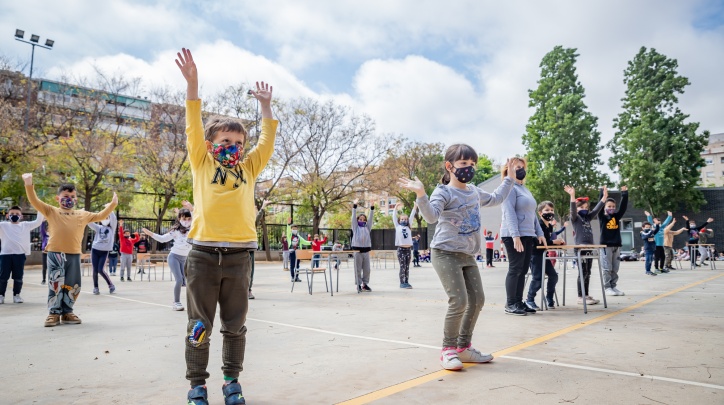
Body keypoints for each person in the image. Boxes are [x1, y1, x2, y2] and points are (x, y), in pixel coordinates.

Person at [176, 47, 277, 405]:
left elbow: (266, 142)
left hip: (239, 258)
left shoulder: (248, 169)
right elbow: (192, 123)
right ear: (210, 145)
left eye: (238, 143)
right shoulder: (202, 164)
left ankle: (232, 382)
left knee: (235, 326)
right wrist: (193, 85)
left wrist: (265, 108)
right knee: (198, 326)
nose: (233, 147)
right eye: (226, 142)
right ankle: (197, 386)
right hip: (202, 255)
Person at [399, 144, 514, 370]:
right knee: (459, 300)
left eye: (472, 164)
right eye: (463, 164)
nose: (468, 168)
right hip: (445, 253)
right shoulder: (444, 192)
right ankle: (448, 349)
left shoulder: (473, 191)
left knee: (478, 300)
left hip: (468, 254)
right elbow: (431, 217)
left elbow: (495, 198)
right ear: (449, 166)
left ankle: (464, 348)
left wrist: (508, 179)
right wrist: (421, 194)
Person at [23, 175, 117, 326]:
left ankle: (67, 312)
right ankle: (53, 313)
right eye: (65, 196)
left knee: (73, 284)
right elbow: (34, 201)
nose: (69, 199)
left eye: (72, 196)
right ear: (57, 198)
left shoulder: (82, 214)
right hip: (55, 253)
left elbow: (101, 215)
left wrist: (112, 204)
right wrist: (28, 183)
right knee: (55, 282)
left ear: (76, 199)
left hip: (74, 254)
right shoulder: (51, 211)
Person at [500, 157, 546, 316]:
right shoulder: (508, 188)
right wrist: (515, 236)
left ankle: (519, 302)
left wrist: (539, 233)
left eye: (522, 166)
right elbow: (509, 213)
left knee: (524, 269)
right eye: (516, 167)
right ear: (508, 169)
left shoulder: (524, 188)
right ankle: (511, 303)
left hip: (527, 234)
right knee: (516, 268)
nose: (520, 169)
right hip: (513, 235)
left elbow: (532, 214)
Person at [142, 208, 193, 311]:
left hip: (185, 258)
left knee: (188, 282)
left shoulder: (193, 229)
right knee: (179, 280)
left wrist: (191, 209)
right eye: (184, 218)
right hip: (174, 257)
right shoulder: (176, 231)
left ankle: (193, 303)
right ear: (179, 219)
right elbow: (162, 239)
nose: (186, 221)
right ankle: (176, 302)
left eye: (189, 218)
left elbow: (199, 218)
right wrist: (150, 234)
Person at [565, 185, 606, 303]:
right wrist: (572, 196)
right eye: (581, 207)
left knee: (588, 272)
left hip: (589, 248)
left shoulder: (587, 217)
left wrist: (604, 198)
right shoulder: (575, 218)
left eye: (586, 207)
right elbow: (573, 210)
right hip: (580, 249)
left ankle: (586, 294)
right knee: (582, 272)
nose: (585, 209)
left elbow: (597, 209)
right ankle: (580, 296)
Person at [0, 206, 44, 304]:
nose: (14, 216)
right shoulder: (3, 225)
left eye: (17, 214)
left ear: (21, 216)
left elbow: (38, 222)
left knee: (18, 277)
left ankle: (17, 295)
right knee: (3, 277)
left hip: (19, 255)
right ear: (7, 216)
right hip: (5, 255)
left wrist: (39, 207)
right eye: (12, 214)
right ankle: (1, 295)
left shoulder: (25, 225)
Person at [525, 201, 564, 310]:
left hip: (544, 255)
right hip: (535, 255)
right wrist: (554, 242)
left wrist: (558, 242)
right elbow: (540, 242)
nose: (550, 212)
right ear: (540, 213)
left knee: (553, 276)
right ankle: (529, 300)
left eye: (551, 210)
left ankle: (549, 298)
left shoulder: (549, 226)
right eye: (547, 210)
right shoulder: (539, 225)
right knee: (538, 278)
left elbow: (549, 240)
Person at [598, 186, 629, 296]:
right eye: (609, 206)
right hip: (606, 245)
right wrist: (602, 193)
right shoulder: (601, 216)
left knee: (615, 268)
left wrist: (624, 194)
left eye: (613, 206)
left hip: (616, 245)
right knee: (607, 268)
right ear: (605, 207)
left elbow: (623, 207)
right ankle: (607, 287)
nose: (611, 208)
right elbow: (599, 206)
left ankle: (613, 286)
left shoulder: (616, 216)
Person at [87, 210, 117, 295]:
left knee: (100, 269)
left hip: (104, 251)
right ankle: (96, 287)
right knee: (95, 270)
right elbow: (89, 223)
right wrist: (85, 214)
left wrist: (109, 209)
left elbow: (114, 219)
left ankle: (111, 285)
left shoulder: (112, 228)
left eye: (107, 218)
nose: (105, 219)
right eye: (103, 218)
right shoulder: (98, 227)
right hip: (95, 250)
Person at [351, 198, 374, 292]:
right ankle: (358, 284)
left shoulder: (367, 227)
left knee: (367, 269)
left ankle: (365, 284)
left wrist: (372, 208)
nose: (362, 220)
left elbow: (371, 219)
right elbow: (353, 217)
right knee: (358, 269)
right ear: (357, 220)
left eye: (364, 219)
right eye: (360, 219)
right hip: (357, 251)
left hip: (366, 251)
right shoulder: (355, 227)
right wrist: (354, 206)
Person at [393, 202, 417, 288]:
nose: (404, 220)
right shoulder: (397, 226)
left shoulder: (408, 226)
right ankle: (402, 283)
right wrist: (395, 208)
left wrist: (414, 207)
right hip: (401, 250)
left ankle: (406, 281)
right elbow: (394, 217)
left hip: (408, 250)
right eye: (402, 219)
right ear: (399, 221)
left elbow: (412, 216)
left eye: (406, 219)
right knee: (402, 267)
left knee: (407, 267)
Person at [40, 219, 49, 284]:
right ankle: (44, 279)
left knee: (52, 267)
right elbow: (42, 230)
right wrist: (43, 222)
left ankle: (51, 279)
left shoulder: (54, 236)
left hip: (51, 253)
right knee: (44, 267)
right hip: (45, 253)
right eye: (48, 228)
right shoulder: (45, 235)